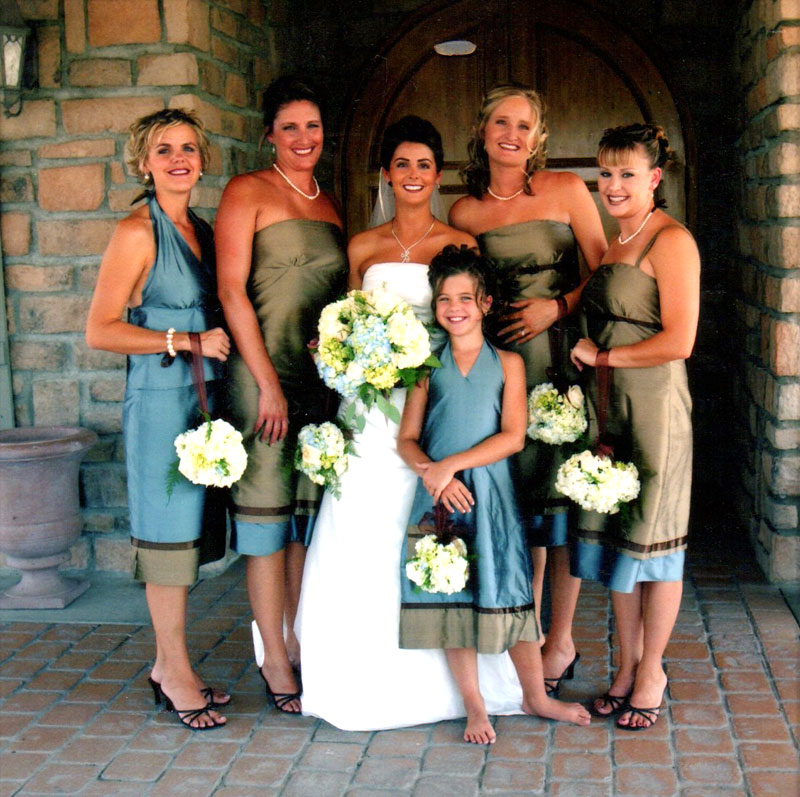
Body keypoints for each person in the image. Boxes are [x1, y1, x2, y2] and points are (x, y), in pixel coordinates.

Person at [296, 116, 526, 731]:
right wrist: (333, 349)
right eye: (402, 164)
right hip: (371, 409)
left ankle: (459, 681)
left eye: (425, 165)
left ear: (437, 174)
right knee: (361, 523)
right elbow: (343, 318)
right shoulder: (363, 247)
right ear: (386, 174)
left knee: (428, 525)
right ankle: (359, 670)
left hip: (436, 402)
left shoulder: (459, 245)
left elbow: (467, 325)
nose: (414, 176)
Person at [397, 245, 591, 744]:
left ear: (485, 303)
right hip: (440, 499)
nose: (454, 308)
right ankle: (474, 703)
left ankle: (536, 696)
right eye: (444, 300)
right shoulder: (424, 364)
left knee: (511, 591)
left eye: (466, 298)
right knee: (452, 596)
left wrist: (451, 466)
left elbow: (513, 436)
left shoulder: (508, 362)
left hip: (493, 495)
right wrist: (431, 474)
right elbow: (406, 438)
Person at [449, 84, 607, 695]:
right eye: (500, 122)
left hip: (559, 360)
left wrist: (558, 306)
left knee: (560, 501)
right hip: (500, 367)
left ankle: (560, 640)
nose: (511, 134)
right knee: (520, 505)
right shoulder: (463, 214)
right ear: (482, 130)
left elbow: (604, 271)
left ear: (539, 139)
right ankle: (523, 632)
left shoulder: (567, 192)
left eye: (524, 125)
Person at [86, 109, 231, 730]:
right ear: (143, 162)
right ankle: (174, 673)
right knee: (167, 541)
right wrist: (186, 341)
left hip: (204, 401)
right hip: (159, 404)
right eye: (164, 149)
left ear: (203, 160)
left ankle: (169, 664)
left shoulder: (201, 228)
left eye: (189, 149)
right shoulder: (137, 233)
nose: (179, 159)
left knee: (190, 539)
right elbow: (101, 330)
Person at [215, 76, 347, 713]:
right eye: (290, 127)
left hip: (318, 381)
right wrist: (266, 382)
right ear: (269, 134)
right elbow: (233, 290)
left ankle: (297, 638)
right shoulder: (247, 191)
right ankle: (272, 655)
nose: (303, 138)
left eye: (313, 126)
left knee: (303, 518)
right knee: (266, 519)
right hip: (261, 376)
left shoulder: (331, 205)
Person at [569, 123, 700, 731]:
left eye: (628, 173)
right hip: (609, 408)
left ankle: (652, 671)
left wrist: (607, 357)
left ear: (654, 179)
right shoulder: (615, 244)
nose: (614, 184)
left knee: (656, 544)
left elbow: (680, 340)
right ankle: (624, 668)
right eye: (606, 172)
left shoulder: (670, 242)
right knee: (620, 540)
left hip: (655, 410)